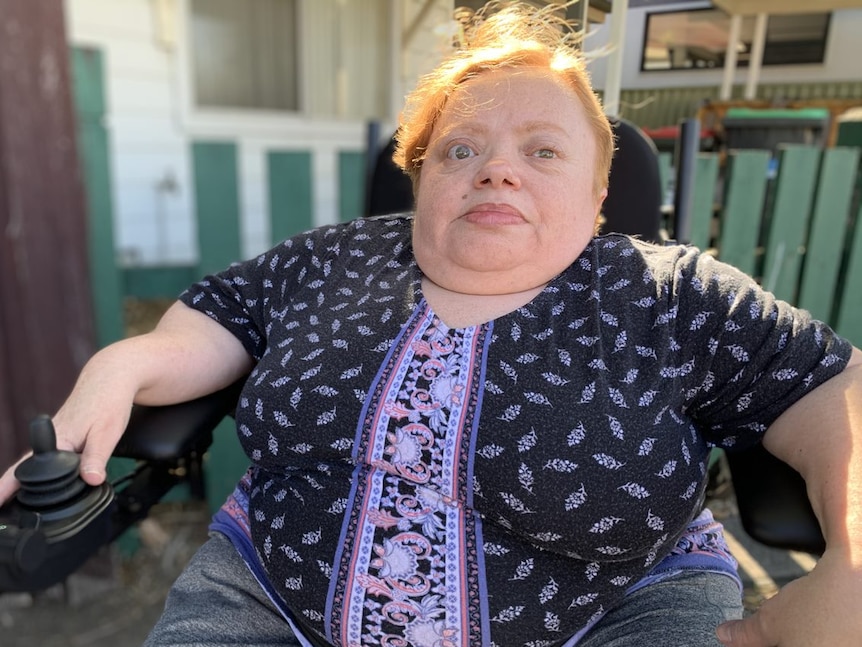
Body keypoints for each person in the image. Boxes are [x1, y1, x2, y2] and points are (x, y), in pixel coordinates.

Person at [2, 2, 861, 645]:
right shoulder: (336, 256)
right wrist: (124, 365)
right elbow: (219, 316)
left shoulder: (675, 294)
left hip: (611, 610)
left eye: (543, 149)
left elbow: (836, 393)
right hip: (271, 592)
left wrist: (851, 569)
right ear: (421, 177)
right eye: (460, 148)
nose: (495, 170)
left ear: (600, 196)